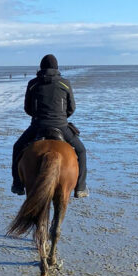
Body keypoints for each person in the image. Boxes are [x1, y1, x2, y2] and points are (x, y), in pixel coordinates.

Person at [11, 54, 88, 198]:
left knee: (17, 147)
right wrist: (61, 117)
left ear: (41, 68)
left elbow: (28, 108)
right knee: (81, 151)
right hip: (61, 126)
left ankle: (17, 184)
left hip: (37, 126)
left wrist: (38, 116)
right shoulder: (65, 83)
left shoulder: (33, 83)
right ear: (56, 68)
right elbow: (71, 108)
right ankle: (81, 187)